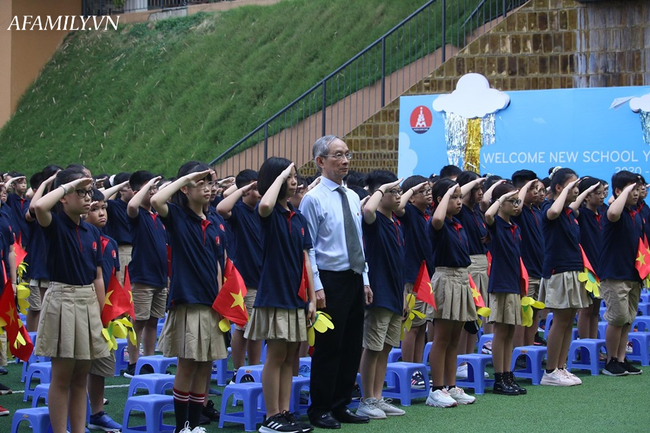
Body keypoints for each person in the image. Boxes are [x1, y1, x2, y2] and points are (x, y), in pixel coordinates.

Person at [299, 135, 372, 429]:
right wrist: (316, 286)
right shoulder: (312, 199)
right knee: (329, 346)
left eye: (347, 155)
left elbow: (359, 243)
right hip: (328, 279)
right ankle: (320, 408)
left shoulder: (352, 196)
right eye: (337, 156)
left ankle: (342, 404)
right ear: (320, 162)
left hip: (354, 276)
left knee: (352, 344)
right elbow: (309, 247)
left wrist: (365, 279)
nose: (344, 161)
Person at [151, 161, 228, 433]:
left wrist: (222, 304)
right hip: (188, 302)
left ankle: (194, 425)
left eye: (210, 183)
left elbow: (219, 265)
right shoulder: (176, 216)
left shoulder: (214, 222)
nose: (208, 188)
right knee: (187, 365)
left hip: (211, 305)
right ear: (185, 189)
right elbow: (156, 199)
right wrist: (189, 177)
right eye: (201, 183)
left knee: (205, 367)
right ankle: (182, 426)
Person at [33, 167, 109, 433]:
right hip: (62, 299)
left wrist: (100, 313)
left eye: (88, 192)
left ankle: (78, 430)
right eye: (81, 192)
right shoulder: (53, 223)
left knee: (81, 377)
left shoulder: (92, 232)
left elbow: (97, 277)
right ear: (63, 196)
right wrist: (67, 184)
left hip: (87, 301)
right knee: (62, 377)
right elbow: (40, 206)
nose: (87, 198)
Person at [245, 157, 316, 433]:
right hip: (274, 295)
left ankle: (285, 412)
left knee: (290, 357)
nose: (294, 180)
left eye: (295, 175)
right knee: (275, 356)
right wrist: (281, 174)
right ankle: (270, 416)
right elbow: (264, 203)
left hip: (296, 297)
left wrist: (311, 298)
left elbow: (305, 260)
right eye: (289, 176)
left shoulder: (298, 218)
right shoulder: (268, 213)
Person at [357, 170, 407, 419]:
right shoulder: (372, 220)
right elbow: (366, 210)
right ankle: (366, 399)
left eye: (398, 191)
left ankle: (377, 396)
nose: (398, 196)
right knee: (373, 347)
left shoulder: (396, 223)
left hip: (396, 294)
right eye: (393, 192)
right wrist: (379, 189)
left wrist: (404, 296)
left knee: (386, 347)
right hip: (379, 293)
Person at [426, 178, 477, 408]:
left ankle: (450, 385)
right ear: (441, 200)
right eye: (454, 197)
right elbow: (437, 216)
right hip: (445, 279)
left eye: (459, 197)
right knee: (442, 338)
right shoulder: (437, 223)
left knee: (455, 339)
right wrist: (447, 193)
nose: (459, 201)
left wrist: (463, 186)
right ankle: (436, 389)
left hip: (462, 279)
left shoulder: (457, 223)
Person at [538, 167, 591, 386]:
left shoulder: (570, 213)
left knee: (570, 320)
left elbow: (573, 207)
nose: (576, 190)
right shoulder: (549, 207)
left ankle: (561, 366)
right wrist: (564, 192)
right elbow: (552, 213)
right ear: (559, 187)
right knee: (560, 320)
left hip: (573, 269)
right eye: (573, 186)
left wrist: (583, 191)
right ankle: (550, 371)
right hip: (557, 270)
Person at [216, 169, 263, 379]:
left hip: (263, 279)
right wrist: (243, 187)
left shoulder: (263, 210)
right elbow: (222, 207)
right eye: (254, 186)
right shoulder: (239, 211)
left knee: (258, 330)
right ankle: (238, 371)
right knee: (244, 327)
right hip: (245, 279)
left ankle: (253, 369)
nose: (259, 189)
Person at [84, 188, 123, 432]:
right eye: (94, 209)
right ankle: (72, 416)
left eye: (103, 208)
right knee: (76, 367)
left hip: (105, 311)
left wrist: (118, 308)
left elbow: (115, 278)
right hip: (83, 308)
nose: (101, 213)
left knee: (100, 365)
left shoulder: (111, 243)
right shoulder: (80, 238)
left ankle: (97, 413)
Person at [124, 171, 168, 378]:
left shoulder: (157, 217)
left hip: (159, 276)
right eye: (148, 188)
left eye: (154, 188)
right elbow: (132, 205)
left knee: (153, 321)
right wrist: (148, 184)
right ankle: (133, 362)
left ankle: (148, 361)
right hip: (142, 276)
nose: (153, 191)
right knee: (138, 321)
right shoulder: (137, 214)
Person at [599, 171, 644, 376]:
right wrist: (623, 193)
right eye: (632, 189)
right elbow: (613, 213)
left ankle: (621, 358)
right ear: (619, 191)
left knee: (628, 319)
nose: (636, 193)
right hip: (615, 274)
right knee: (617, 318)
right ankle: (611, 361)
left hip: (634, 274)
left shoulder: (635, 213)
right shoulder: (614, 212)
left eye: (637, 189)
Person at [484, 183, 527, 396]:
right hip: (500, 283)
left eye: (518, 201)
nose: (517, 205)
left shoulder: (514, 227)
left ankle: (508, 374)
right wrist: (501, 199)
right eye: (513, 201)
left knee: (510, 331)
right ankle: (499, 378)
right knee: (501, 332)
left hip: (513, 282)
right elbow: (488, 215)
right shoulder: (497, 223)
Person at [396, 175, 433, 389]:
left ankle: (417, 368)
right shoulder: (408, 213)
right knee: (412, 326)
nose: (428, 193)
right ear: (411, 197)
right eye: (423, 191)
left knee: (421, 327)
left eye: (429, 190)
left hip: (426, 276)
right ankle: (409, 370)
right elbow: (399, 205)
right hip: (412, 276)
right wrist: (410, 190)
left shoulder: (425, 214)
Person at [511, 171, 544, 350]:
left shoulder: (537, 211)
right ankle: (519, 352)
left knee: (534, 314)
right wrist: (522, 190)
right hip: (526, 271)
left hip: (539, 270)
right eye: (534, 189)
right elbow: (517, 205)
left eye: (541, 189)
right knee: (522, 315)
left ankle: (529, 349)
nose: (539, 193)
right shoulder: (518, 211)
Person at [570, 177, 604, 340]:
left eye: (604, 192)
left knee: (596, 310)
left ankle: (594, 344)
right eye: (598, 193)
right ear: (587, 196)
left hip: (601, 267)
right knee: (586, 309)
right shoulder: (581, 214)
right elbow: (571, 208)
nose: (602, 196)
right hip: (586, 267)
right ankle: (585, 345)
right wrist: (583, 193)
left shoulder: (604, 214)